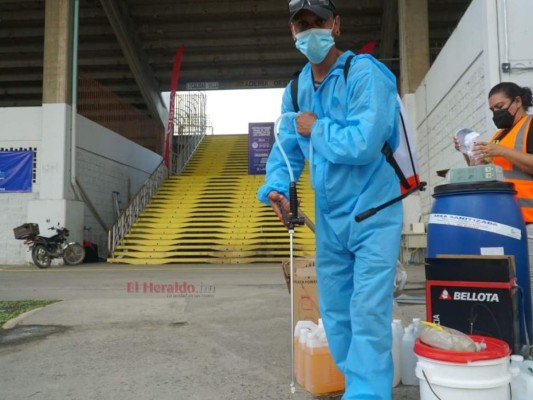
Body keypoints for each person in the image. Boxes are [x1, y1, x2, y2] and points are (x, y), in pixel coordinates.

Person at [257, 1, 403, 398]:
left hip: (374, 210)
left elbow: (364, 143)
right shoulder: (296, 88)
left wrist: (316, 127)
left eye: (317, 22)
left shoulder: (365, 74)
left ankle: (369, 393)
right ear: (292, 33)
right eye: (301, 25)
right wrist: (274, 186)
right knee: (336, 313)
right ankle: (357, 382)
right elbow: (286, 147)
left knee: (368, 310)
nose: (310, 32)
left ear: (336, 25)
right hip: (330, 218)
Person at [454, 81, 533, 285]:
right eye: (492, 109)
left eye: (500, 107)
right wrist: (467, 151)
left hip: (529, 223)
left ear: (517, 101)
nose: (496, 113)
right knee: (512, 288)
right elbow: (482, 172)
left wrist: (501, 152)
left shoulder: (529, 126)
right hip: (504, 222)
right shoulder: (498, 137)